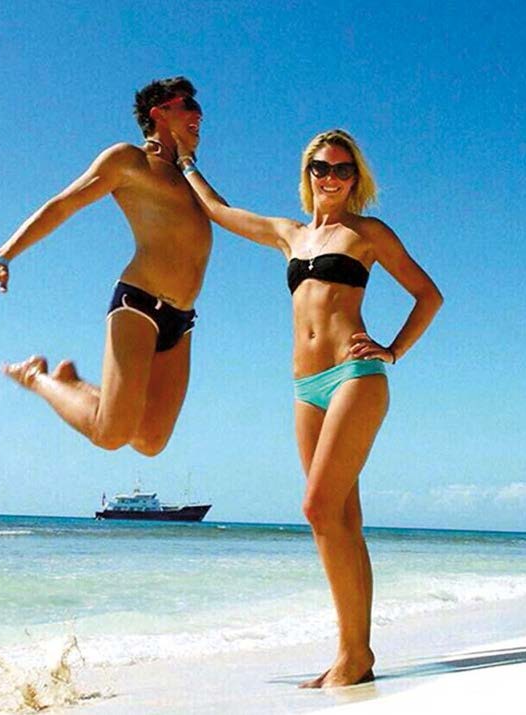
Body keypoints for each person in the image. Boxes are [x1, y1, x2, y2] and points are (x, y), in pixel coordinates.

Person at [171, 128, 443, 687]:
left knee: (318, 508)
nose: (332, 178)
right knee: (341, 520)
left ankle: (354, 655)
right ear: (308, 174)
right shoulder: (289, 235)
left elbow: (428, 294)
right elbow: (220, 211)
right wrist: (187, 163)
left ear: (355, 177)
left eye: (343, 169)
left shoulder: (367, 233)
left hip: (355, 376)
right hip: (306, 389)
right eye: (322, 167)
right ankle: (355, 652)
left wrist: (393, 349)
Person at [0, 77, 210, 456]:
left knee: (150, 441)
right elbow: (63, 204)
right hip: (140, 303)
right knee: (110, 434)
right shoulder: (130, 160)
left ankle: (70, 382)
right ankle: (36, 376)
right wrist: (2, 256)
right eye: (188, 104)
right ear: (158, 113)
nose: (199, 114)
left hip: (182, 318)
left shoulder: (190, 176)